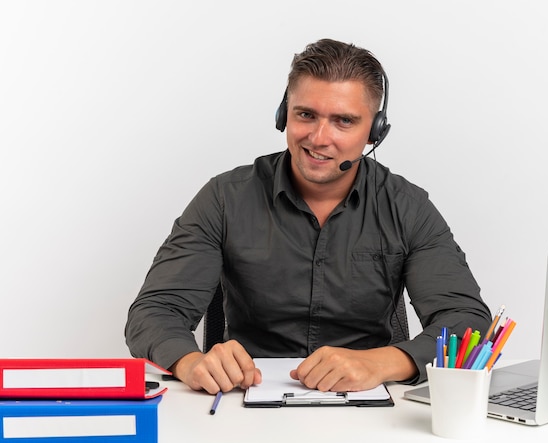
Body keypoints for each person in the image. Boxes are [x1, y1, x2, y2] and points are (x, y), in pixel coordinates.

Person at [125, 38, 492, 395]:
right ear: (284, 114)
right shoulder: (225, 198)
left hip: (374, 403)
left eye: (344, 121)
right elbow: (155, 310)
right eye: (306, 115)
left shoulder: (407, 206)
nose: (319, 138)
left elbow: (466, 321)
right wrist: (190, 361)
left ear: (375, 132)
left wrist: (381, 364)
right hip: (245, 399)